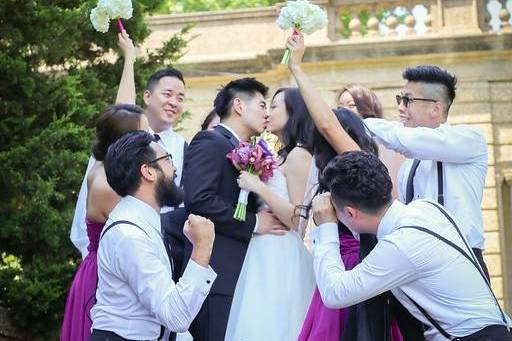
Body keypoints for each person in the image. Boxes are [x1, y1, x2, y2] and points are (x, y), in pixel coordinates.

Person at [311, 151, 511, 340]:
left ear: (351, 213)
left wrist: (326, 227)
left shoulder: (400, 245)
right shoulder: (427, 207)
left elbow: (334, 292)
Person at [283, 34, 402, 341]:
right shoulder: (334, 173)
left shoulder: (361, 166)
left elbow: (326, 124)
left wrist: (297, 66)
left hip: (354, 265)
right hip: (338, 266)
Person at [183, 78, 287, 341]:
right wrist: (253, 223)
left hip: (245, 271)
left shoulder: (249, 150)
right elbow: (199, 201)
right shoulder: (209, 141)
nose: (267, 112)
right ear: (239, 106)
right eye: (262, 104)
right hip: (215, 269)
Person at [363, 65, 489, 278]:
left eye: (408, 100)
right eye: (399, 100)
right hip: (418, 263)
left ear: (436, 109)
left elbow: (405, 139)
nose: (401, 108)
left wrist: (355, 123)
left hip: (461, 259)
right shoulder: (408, 166)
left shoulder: (469, 140)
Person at [70, 30, 188, 257]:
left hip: (157, 249)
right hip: (116, 253)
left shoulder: (182, 146)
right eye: (168, 94)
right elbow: (122, 110)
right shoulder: (121, 141)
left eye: (181, 98)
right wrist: (129, 59)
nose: (174, 102)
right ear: (147, 97)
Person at [90, 130, 217, 340]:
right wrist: (202, 249)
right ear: (148, 172)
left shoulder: (142, 222)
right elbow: (175, 317)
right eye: (168, 160)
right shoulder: (130, 236)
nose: (175, 168)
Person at [224, 88, 316, 340]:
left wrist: (259, 187)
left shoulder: (299, 155)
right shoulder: (281, 155)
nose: (268, 112)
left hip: (281, 250)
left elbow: (298, 219)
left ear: (293, 112)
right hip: (261, 249)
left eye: (274, 106)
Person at [60, 104, 148, 341]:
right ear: (125, 140)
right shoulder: (106, 183)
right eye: (144, 133)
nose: (150, 139)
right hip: (104, 277)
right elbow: (141, 222)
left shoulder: (112, 170)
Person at [337, 84, 404, 199]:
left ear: (366, 109)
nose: (343, 111)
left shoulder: (385, 143)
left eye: (351, 105)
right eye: (339, 107)